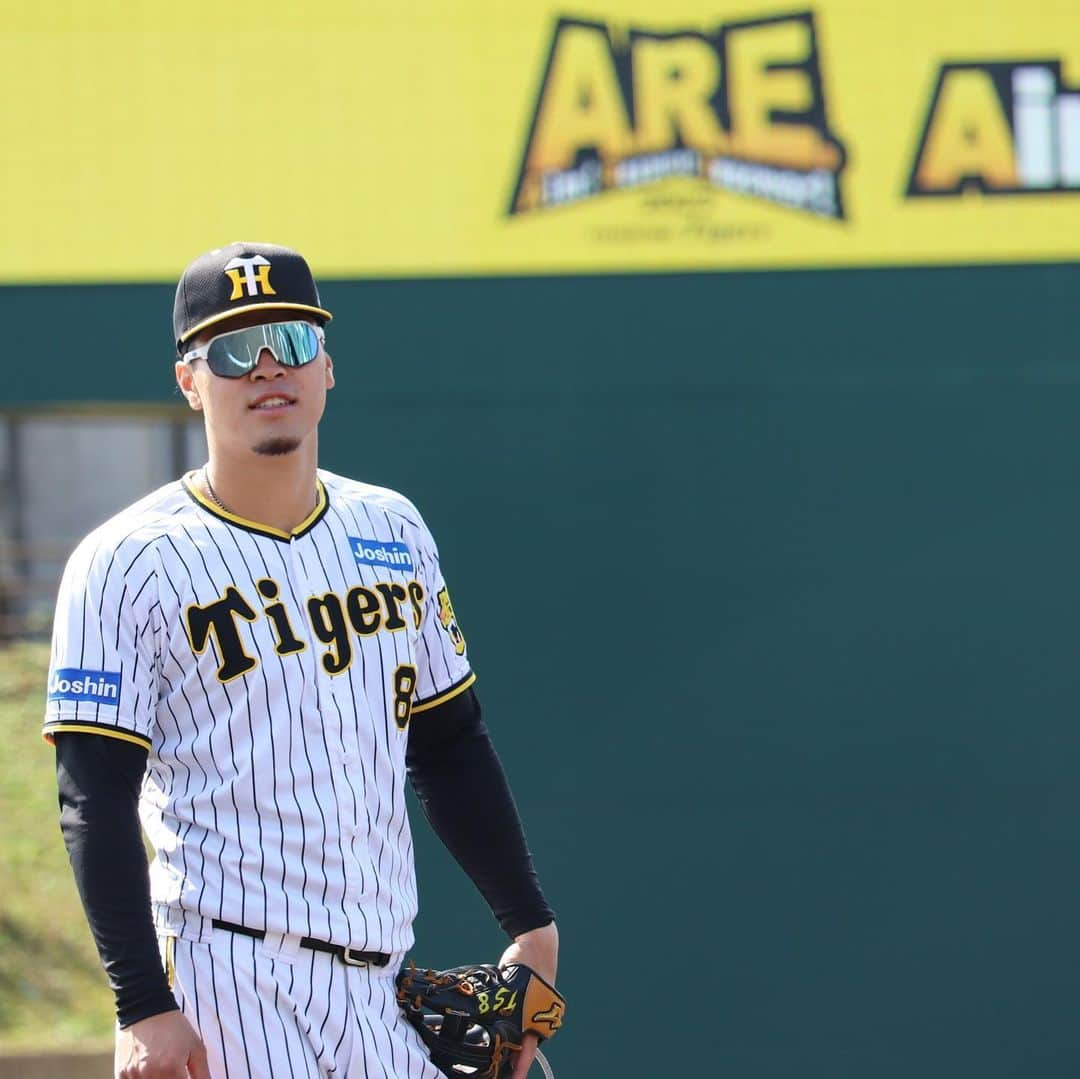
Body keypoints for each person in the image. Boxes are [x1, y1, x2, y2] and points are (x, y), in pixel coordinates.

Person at [45, 242, 559, 1078]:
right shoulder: (124, 563)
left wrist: (529, 921)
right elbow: (91, 798)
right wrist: (141, 1003)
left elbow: (449, 744)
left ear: (326, 367)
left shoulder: (392, 530)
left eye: (290, 339)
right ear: (190, 381)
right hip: (227, 980)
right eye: (234, 350)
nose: (267, 367)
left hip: (383, 982)